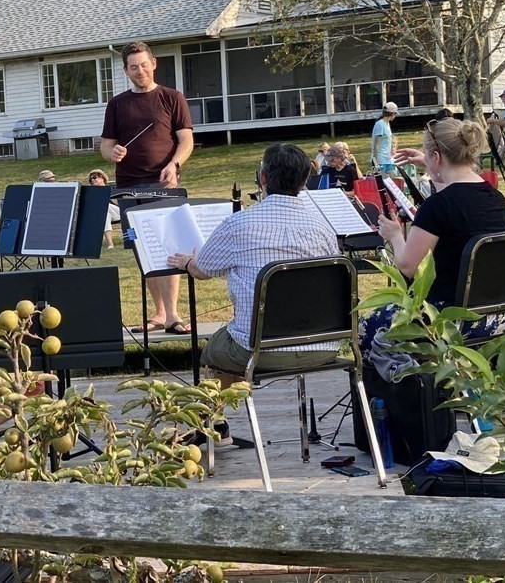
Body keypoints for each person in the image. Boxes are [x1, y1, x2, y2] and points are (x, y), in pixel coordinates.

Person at [167, 144, 341, 441]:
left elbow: (202, 270)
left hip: (261, 351)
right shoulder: (324, 227)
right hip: (324, 345)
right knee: (236, 336)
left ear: (262, 177)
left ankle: (213, 425)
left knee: (215, 350)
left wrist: (186, 262)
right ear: (304, 182)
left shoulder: (239, 224)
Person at [366, 119, 505, 380]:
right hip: (494, 315)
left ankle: (409, 402)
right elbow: (458, 199)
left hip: (445, 317)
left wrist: (395, 235)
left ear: (436, 156)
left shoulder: (438, 206)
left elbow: (409, 266)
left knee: (366, 327)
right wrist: (429, 162)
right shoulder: (495, 199)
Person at [100, 41, 194, 334]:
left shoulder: (172, 97)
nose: (139, 71)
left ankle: (174, 315)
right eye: (132, 67)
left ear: (153, 63)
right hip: (128, 187)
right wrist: (112, 153)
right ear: (126, 70)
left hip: (163, 184)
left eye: (143, 65)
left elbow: (186, 141)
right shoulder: (117, 104)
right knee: (142, 248)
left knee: (170, 247)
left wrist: (174, 165)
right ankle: (158, 313)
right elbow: (105, 146)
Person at [87, 168, 120, 249]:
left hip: (118, 213)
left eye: (95, 177)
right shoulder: (91, 193)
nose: (92, 180)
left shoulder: (111, 190)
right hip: (102, 215)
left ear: (102, 178)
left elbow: (120, 204)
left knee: (105, 207)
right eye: (91, 179)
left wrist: (108, 195)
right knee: (105, 214)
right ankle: (110, 244)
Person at [371, 102, 398, 174]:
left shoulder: (387, 123)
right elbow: (376, 145)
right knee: (382, 182)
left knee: (392, 182)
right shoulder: (380, 124)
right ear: (393, 114)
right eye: (395, 114)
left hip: (387, 159)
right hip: (380, 160)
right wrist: (375, 163)